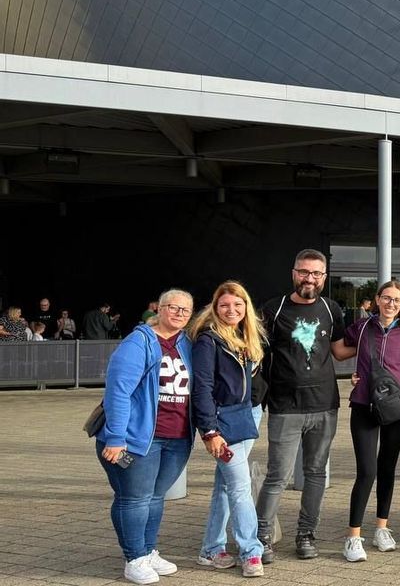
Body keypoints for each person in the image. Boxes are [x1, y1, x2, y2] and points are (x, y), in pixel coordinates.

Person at [256, 249, 355, 562]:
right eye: (303, 272)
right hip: (285, 407)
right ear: (293, 273)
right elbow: (255, 352)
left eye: (315, 274)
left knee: (315, 475)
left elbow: (339, 351)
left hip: (325, 405)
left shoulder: (332, 308)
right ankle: (262, 538)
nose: (309, 279)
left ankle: (306, 535)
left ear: (324, 278)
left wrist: (378, 345)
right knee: (277, 477)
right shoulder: (274, 309)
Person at [94, 289, 195, 585]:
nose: (178, 313)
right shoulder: (139, 343)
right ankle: (134, 557)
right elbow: (118, 392)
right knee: (133, 499)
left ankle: (148, 550)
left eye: (185, 310)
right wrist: (115, 438)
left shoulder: (187, 344)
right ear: (158, 309)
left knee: (154, 498)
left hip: (176, 438)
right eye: (172, 307)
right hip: (139, 439)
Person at [189, 281, 267, 578]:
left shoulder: (246, 337)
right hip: (222, 423)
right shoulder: (208, 340)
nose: (231, 310)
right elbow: (203, 388)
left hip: (246, 416)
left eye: (237, 304)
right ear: (215, 307)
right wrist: (209, 430)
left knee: (224, 487)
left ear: (246, 306)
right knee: (240, 485)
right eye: (224, 305)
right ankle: (251, 551)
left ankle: (211, 549)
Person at [342, 281, 400, 562]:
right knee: (367, 471)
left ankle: (381, 528)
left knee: (387, 468)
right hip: (363, 405)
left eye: (396, 300)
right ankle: (353, 537)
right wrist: (354, 375)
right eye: (387, 298)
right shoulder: (361, 328)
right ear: (377, 299)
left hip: (396, 409)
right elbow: (337, 350)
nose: (391, 304)